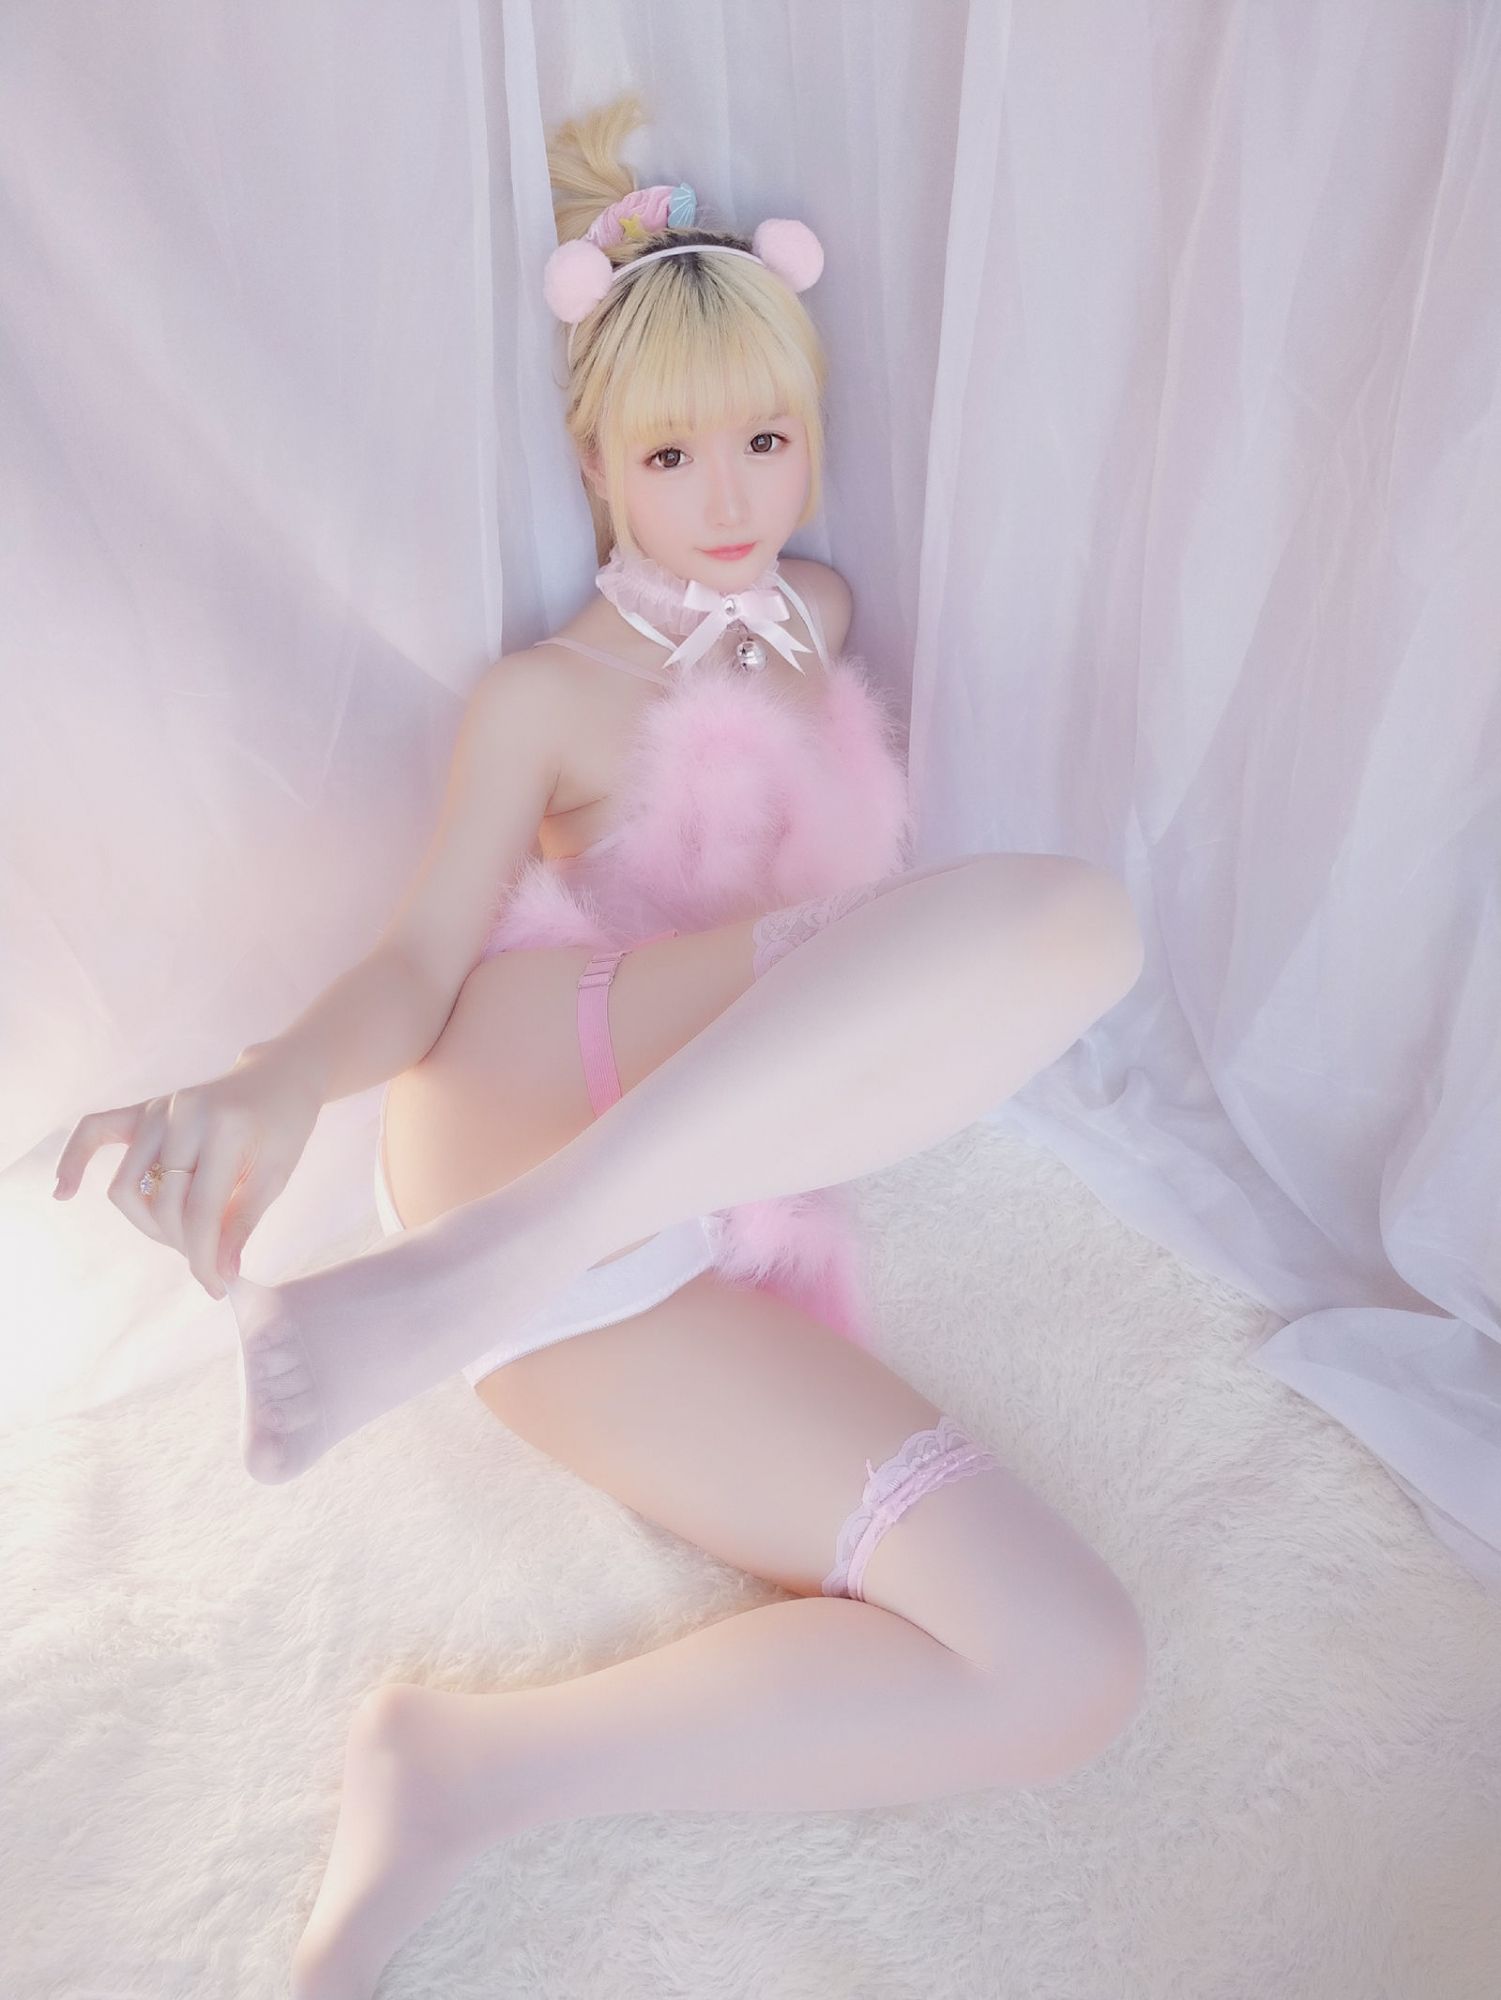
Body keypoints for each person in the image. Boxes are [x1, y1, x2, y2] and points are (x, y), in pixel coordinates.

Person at [55, 92, 1149, 2000]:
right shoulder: (548, 698)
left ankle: (466, 1774)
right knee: (1065, 921)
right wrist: (262, 1086)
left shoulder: (816, 614)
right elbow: (418, 964)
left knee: (1070, 1666)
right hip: (520, 1097)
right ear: (594, 462)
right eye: (669, 452)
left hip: (643, 1216)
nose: (728, 498)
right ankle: (468, 1267)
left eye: (766, 440)